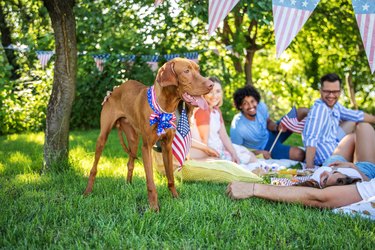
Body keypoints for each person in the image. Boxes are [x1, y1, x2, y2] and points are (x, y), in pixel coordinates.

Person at [302, 73, 375, 169]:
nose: (331, 95)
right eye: (327, 91)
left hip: (334, 144)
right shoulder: (320, 109)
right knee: (357, 135)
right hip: (329, 160)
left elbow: (356, 115)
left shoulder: (335, 106)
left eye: (335, 91)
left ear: (340, 92)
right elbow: (311, 138)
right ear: (321, 91)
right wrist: (309, 167)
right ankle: (366, 166)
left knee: (353, 122)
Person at [190, 77, 257, 165]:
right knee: (246, 160)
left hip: (220, 146)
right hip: (212, 150)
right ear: (204, 93)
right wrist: (216, 156)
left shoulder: (216, 110)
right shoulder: (203, 110)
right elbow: (204, 141)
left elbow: (224, 136)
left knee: (250, 156)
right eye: (210, 91)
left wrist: (233, 153)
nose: (214, 96)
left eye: (218, 91)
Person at [230, 85, 307, 161]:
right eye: (245, 103)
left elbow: (268, 122)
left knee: (302, 111)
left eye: (252, 101)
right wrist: (258, 153)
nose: (251, 106)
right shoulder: (237, 126)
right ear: (240, 106)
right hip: (266, 147)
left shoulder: (261, 106)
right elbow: (237, 150)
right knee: (300, 154)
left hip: (272, 133)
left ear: (256, 101)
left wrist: (277, 127)